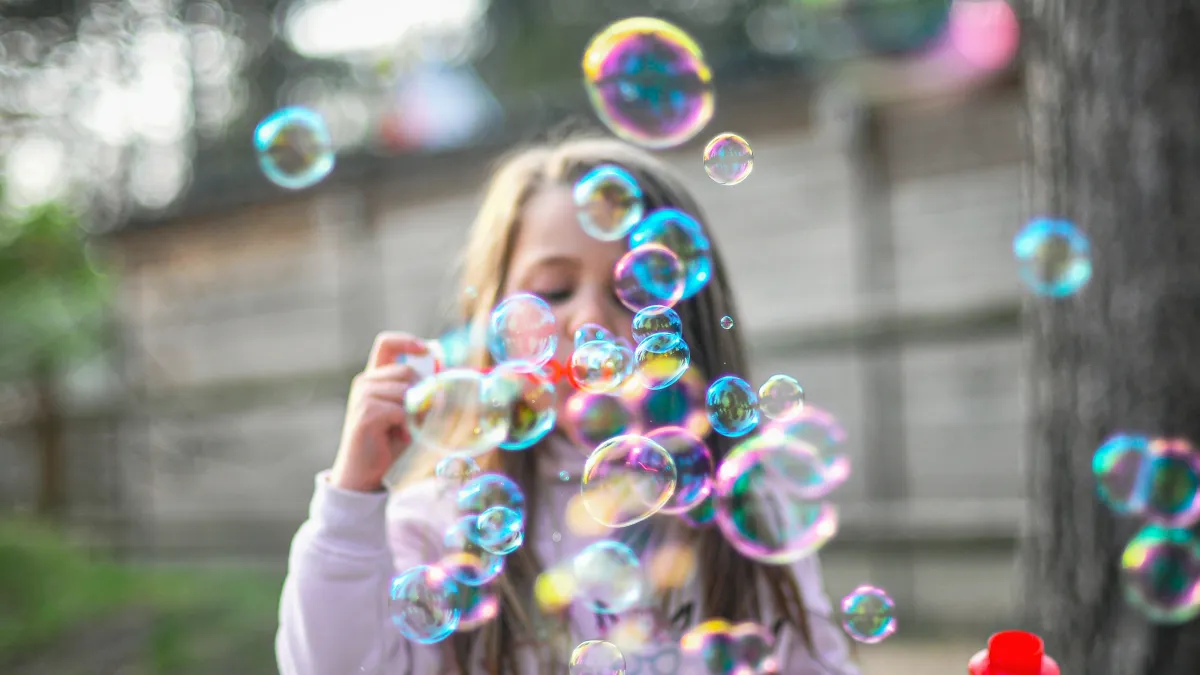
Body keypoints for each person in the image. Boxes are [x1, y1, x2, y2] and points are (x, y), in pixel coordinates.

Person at [276, 137, 860, 674]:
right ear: (496, 323)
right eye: (555, 292)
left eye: (636, 292)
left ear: (690, 321)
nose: (589, 322)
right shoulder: (438, 522)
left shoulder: (746, 513)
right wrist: (351, 500)